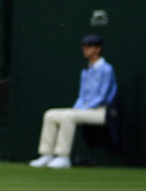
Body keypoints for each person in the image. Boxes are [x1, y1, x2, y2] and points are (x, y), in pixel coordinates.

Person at [29, 34, 117, 169]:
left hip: (102, 111)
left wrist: (82, 109)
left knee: (68, 116)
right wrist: (77, 108)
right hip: (85, 110)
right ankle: (46, 155)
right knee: (50, 114)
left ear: (98, 49)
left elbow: (103, 96)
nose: (85, 49)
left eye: (88, 47)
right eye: (84, 46)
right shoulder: (85, 71)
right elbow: (81, 95)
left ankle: (63, 157)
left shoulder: (107, 69)